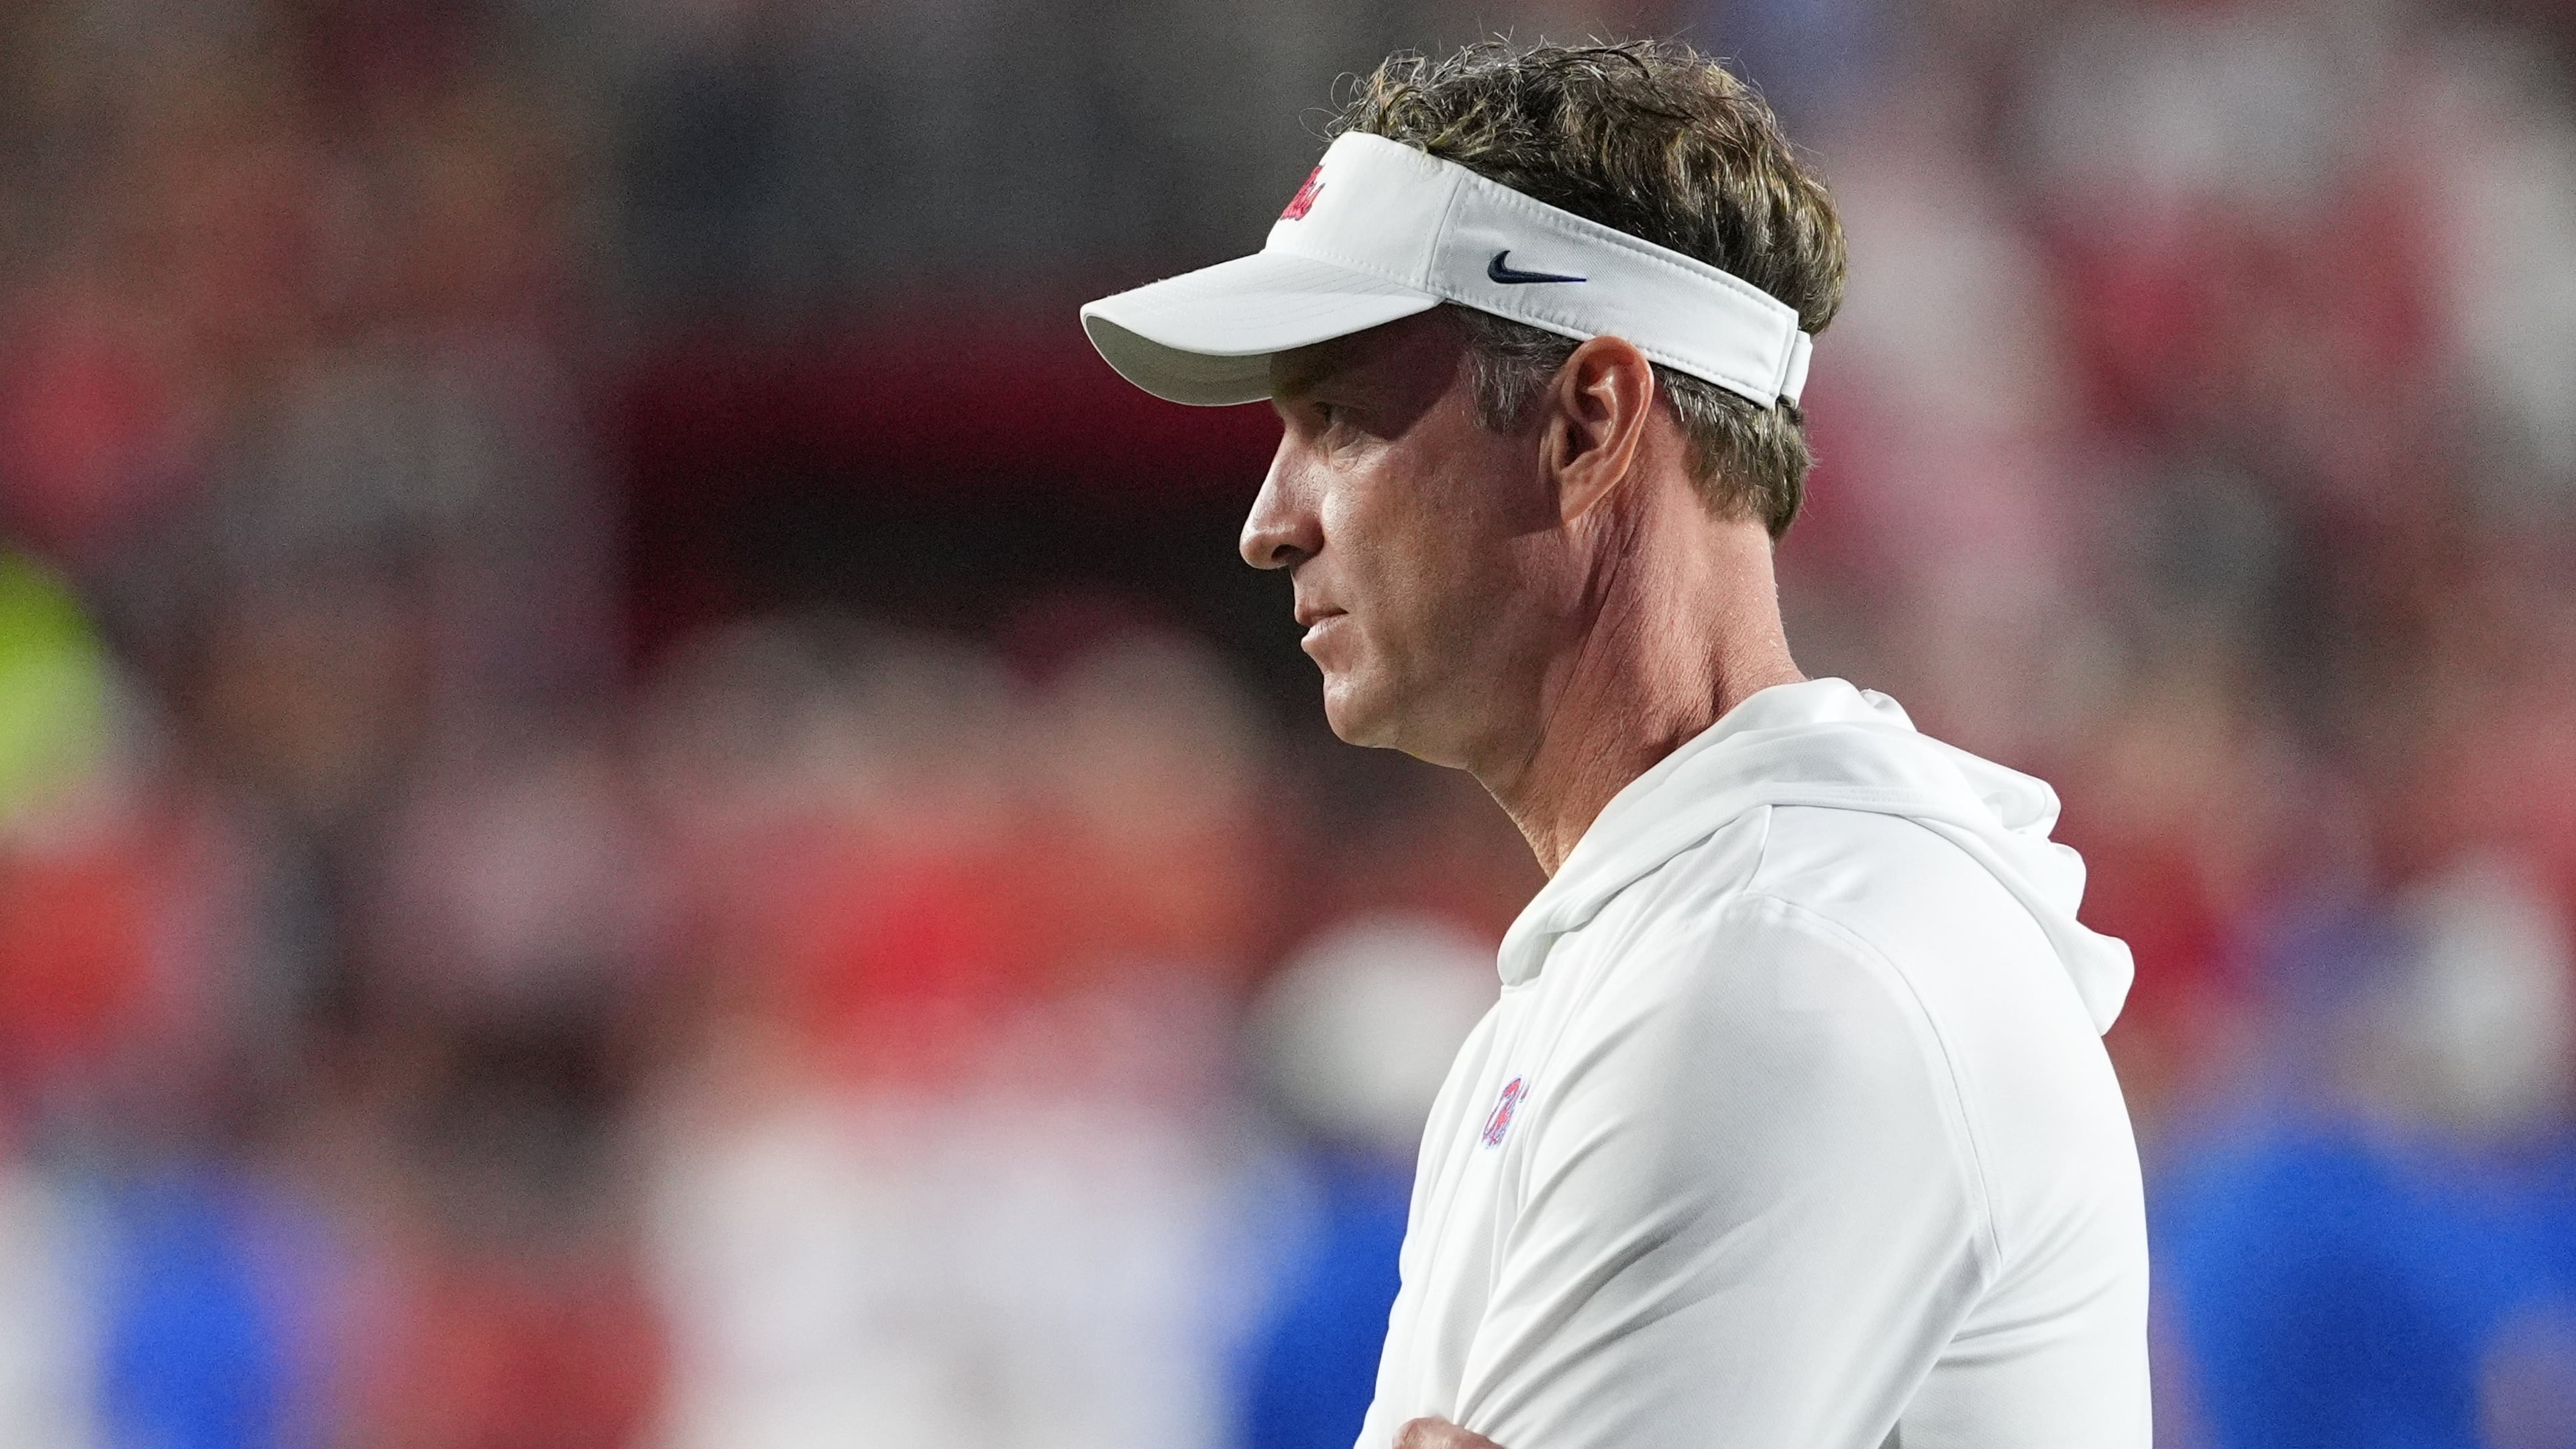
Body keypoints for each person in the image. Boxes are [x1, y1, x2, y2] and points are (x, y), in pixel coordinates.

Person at [1079, 40, 2149, 1449]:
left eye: (1336, 418)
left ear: (1590, 421)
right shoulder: (1665, 952)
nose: (1269, 520)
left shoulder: (1781, 970)